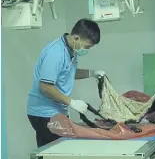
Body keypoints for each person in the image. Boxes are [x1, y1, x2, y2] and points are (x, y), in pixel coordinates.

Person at [27, 18, 105, 148]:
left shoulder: (70, 51)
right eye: (87, 47)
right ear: (76, 39)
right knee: (52, 152)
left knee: (60, 149)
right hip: (44, 113)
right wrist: (71, 102)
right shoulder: (55, 53)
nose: (87, 50)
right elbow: (45, 86)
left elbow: (68, 72)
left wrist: (91, 73)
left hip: (57, 111)